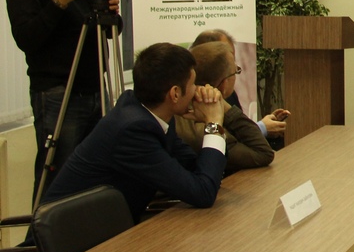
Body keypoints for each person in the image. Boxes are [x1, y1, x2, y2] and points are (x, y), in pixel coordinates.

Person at [39, 42, 228, 222]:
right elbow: (202, 192)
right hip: (74, 242)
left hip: (106, 231)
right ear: (175, 93)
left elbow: (202, 173)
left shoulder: (150, 114)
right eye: (194, 84)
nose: (198, 91)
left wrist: (212, 123)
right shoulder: (133, 130)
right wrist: (214, 123)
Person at [6, 0, 120, 207]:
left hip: (96, 88)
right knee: (58, 175)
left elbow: (109, 32)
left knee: (98, 170)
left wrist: (112, 13)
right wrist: (59, 1)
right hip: (57, 93)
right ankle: (44, 234)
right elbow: (26, 39)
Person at [173, 42, 273, 172]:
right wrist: (224, 106)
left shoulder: (179, 110)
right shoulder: (202, 128)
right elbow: (263, 153)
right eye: (236, 71)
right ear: (224, 84)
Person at [191, 28, 288, 144]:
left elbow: (239, 132)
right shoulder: (191, 107)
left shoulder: (230, 95)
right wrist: (262, 128)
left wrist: (263, 126)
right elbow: (232, 143)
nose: (233, 65)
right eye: (226, 55)